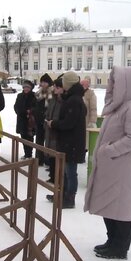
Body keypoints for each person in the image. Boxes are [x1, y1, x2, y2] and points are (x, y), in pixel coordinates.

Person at [84, 67, 131, 260]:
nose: (112, 86)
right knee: (109, 204)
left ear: (127, 84)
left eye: (116, 82)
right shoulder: (120, 105)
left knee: (122, 206)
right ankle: (112, 241)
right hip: (111, 166)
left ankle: (120, 248)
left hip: (122, 167)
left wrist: (109, 150)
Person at [46, 71, 86, 208]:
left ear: (67, 83)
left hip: (72, 142)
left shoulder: (74, 100)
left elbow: (69, 123)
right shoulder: (72, 98)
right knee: (64, 171)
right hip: (69, 141)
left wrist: (54, 124)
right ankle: (62, 194)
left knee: (70, 172)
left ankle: (69, 198)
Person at [44, 77, 64, 183]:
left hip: (57, 130)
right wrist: (46, 119)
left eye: (56, 87)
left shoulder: (63, 100)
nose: (54, 89)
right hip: (50, 128)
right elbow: (48, 110)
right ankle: (52, 176)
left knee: (57, 155)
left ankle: (57, 178)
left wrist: (54, 123)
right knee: (51, 154)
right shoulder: (53, 98)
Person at [33, 73, 53, 165]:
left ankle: (48, 160)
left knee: (49, 141)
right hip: (39, 120)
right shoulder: (38, 94)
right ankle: (39, 159)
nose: (43, 84)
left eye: (45, 82)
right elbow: (36, 106)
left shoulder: (52, 94)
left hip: (48, 121)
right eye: (42, 82)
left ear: (49, 83)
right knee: (39, 141)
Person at [14, 80, 37, 159]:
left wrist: (30, 111)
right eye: (25, 87)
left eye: (28, 87)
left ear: (30, 88)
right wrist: (19, 111)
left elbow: (35, 107)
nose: (26, 89)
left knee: (29, 138)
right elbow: (16, 106)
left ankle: (29, 154)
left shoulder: (34, 96)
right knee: (23, 137)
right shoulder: (20, 95)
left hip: (29, 120)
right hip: (21, 119)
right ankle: (26, 153)